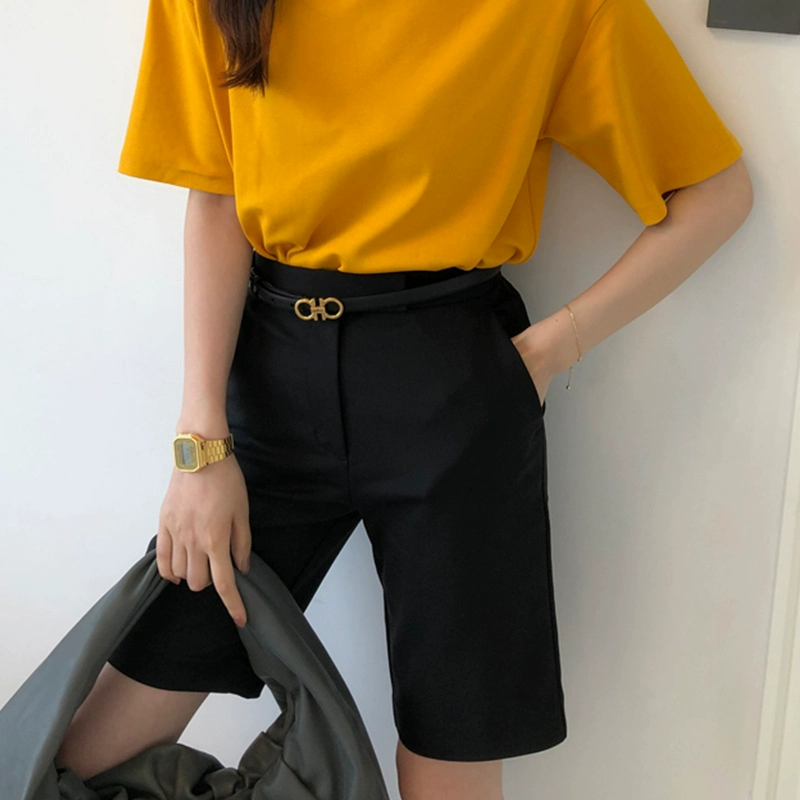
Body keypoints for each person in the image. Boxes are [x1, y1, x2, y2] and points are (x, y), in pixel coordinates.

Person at [54, 0, 753, 796]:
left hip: (453, 388)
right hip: (267, 384)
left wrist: (551, 348)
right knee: (95, 739)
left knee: (450, 750)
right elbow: (217, 198)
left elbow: (716, 193)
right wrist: (199, 448)